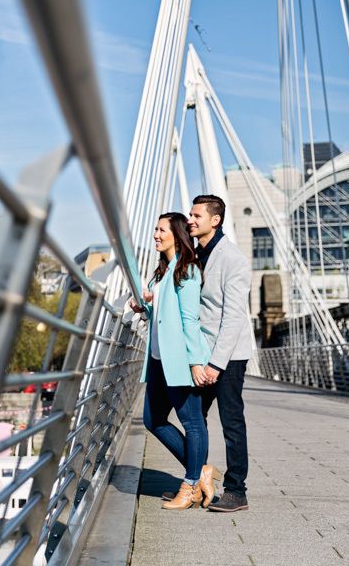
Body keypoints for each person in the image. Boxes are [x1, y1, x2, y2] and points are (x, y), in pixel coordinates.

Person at [130, 212, 220, 510]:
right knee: (153, 420)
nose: (155, 234)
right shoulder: (162, 272)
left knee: (192, 423)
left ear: (177, 234)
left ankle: (191, 483)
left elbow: (188, 320)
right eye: (155, 229)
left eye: (161, 230)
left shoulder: (188, 271)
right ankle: (201, 470)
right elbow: (162, 312)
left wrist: (196, 362)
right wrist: (143, 305)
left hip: (180, 359)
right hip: (157, 359)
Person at [187, 194, 253, 513]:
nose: (191, 220)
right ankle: (197, 481)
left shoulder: (233, 259)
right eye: (190, 215)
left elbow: (234, 316)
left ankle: (236, 491)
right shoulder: (194, 255)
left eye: (197, 215)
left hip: (228, 355)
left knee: (231, 421)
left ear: (215, 220)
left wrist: (216, 363)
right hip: (203, 353)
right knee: (193, 416)